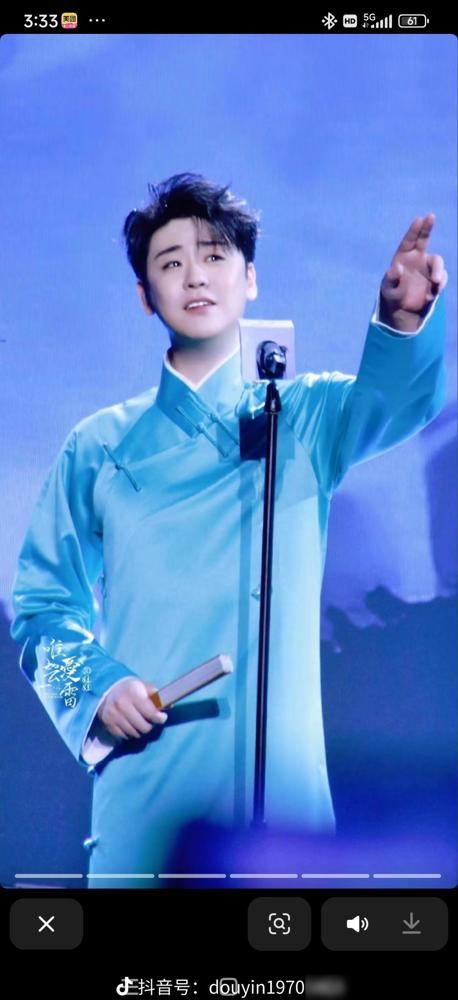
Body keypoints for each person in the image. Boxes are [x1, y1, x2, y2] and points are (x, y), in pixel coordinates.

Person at [10, 173, 448, 888]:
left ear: (250, 280)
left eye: (214, 256)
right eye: (171, 262)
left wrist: (401, 323)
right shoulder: (97, 446)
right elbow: (40, 611)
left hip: (286, 819)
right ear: (145, 296)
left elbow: (393, 402)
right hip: (152, 790)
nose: (195, 276)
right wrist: (95, 688)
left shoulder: (303, 417)